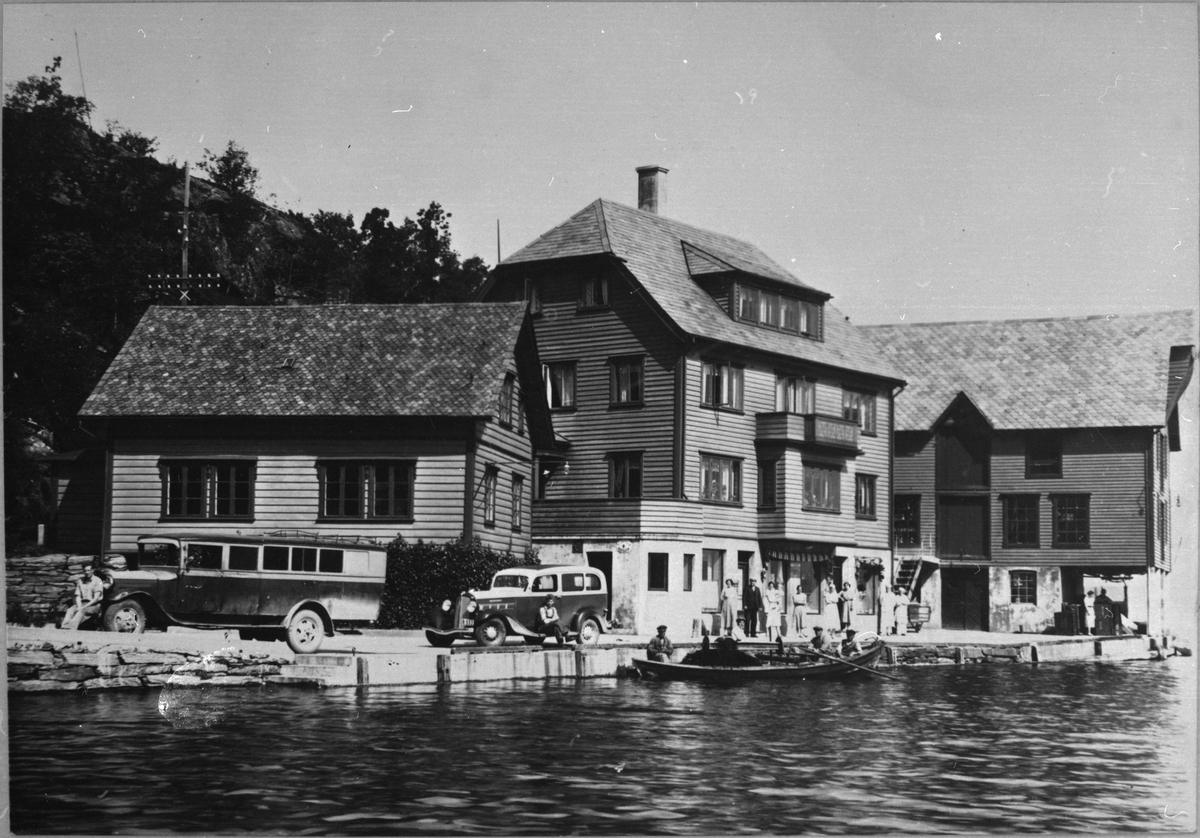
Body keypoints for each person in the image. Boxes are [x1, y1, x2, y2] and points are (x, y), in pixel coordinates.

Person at [60, 562, 107, 631]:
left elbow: (95, 599)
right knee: (70, 609)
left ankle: (71, 628)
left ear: (92, 570)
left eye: (88, 570)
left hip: (94, 605)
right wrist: (79, 606)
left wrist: (82, 607)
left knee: (82, 611)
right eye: (85, 570)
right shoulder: (81, 581)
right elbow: (78, 596)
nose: (86, 572)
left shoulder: (97, 580)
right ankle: (64, 627)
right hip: (82, 603)